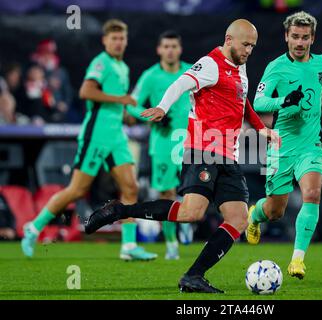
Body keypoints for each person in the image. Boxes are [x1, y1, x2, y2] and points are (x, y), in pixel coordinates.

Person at [85, 19, 280, 293]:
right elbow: (181, 83)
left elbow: (242, 98)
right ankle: (120, 211)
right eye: (245, 44)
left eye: (253, 46)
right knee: (192, 213)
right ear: (229, 39)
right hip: (203, 150)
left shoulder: (240, 66)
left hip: (228, 154)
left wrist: (263, 130)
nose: (249, 50)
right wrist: (163, 107)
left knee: (238, 218)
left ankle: (193, 276)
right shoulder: (211, 63)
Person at [21, 19, 156, 261]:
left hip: (116, 136)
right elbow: (86, 92)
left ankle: (128, 245)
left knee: (130, 187)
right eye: (113, 38)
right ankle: (33, 228)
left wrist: (136, 115)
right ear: (105, 40)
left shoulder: (122, 67)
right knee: (77, 189)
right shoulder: (101, 63)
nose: (118, 42)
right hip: (97, 135)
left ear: (126, 41)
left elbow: (120, 105)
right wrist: (120, 100)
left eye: (121, 38)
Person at [245, 11, 322, 280]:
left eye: (305, 37)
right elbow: (258, 103)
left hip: (311, 145)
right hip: (281, 145)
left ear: (312, 38)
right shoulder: (275, 67)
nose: (299, 42)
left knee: (312, 194)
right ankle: (255, 215)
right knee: (275, 210)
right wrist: (284, 102)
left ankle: (297, 260)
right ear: (286, 37)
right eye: (295, 37)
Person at [126, 30, 193, 260]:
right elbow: (132, 105)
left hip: (194, 141)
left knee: (199, 188)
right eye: (166, 46)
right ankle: (172, 243)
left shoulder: (193, 71)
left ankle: (187, 219)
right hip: (164, 143)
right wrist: (152, 116)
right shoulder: (150, 76)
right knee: (166, 194)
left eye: (174, 46)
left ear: (180, 49)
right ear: (159, 50)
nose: (170, 50)